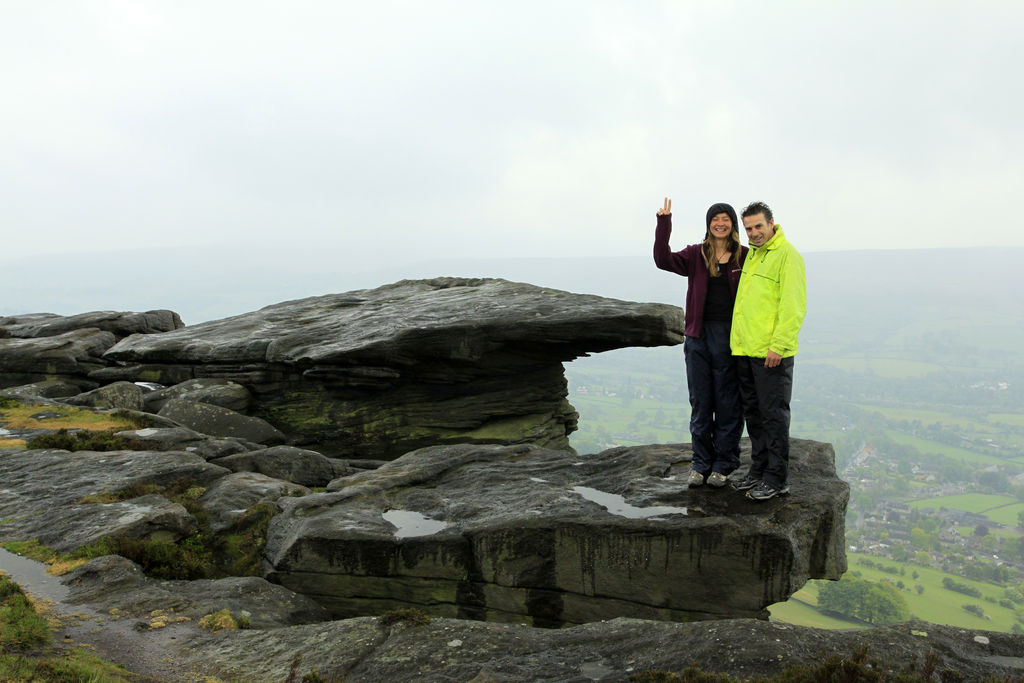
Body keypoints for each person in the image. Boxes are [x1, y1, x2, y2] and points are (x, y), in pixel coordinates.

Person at [654, 197, 748, 488]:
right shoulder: (696, 255)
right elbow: (663, 259)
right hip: (697, 336)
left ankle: (724, 463)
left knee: (729, 402)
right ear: (708, 224)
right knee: (701, 401)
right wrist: (664, 223)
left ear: (732, 225)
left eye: (725, 219)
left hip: (730, 338)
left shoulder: (744, 256)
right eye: (715, 219)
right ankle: (700, 463)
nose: (720, 223)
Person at [729, 201, 806, 501]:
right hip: (746, 350)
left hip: (771, 354)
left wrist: (779, 346)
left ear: (772, 223)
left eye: (759, 226)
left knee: (773, 416)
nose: (754, 233)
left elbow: (793, 307)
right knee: (754, 414)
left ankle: (777, 479)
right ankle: (759, 471)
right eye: (748, 228)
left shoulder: (788, 256)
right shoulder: (754, 256)